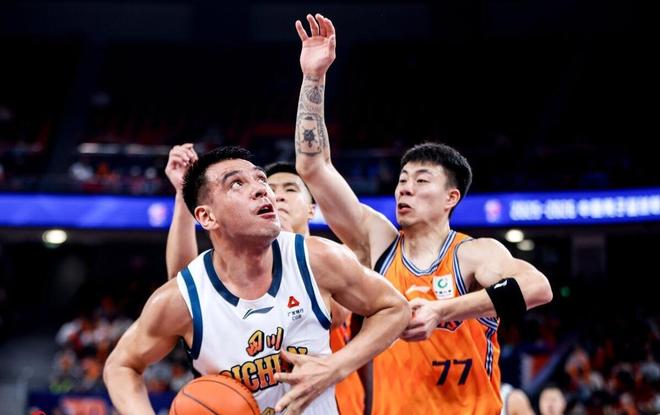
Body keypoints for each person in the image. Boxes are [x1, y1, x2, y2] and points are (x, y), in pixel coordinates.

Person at [293, 13, 554, 414]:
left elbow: (538, 288)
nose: (405, 188)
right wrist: (314, 77)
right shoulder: (378, 242)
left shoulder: (472, 254)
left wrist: (442, 310)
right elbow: (313, 167)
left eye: (421, 180)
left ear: (451, 197)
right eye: (402, 180)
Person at [103, 146, 410, 415]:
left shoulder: (318, 259)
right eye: (236, 183)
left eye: (261, 179)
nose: (263, 190)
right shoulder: (182, 297)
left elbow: (395, 308)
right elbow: (121, 366)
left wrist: (335, 367)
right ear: (207, 217)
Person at [163, 144, 366, 414]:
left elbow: (339, 314)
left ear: (311, 209)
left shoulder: (329, 262)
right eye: (272, 186)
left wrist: (285, 237)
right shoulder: (242, 267)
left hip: (337, 403)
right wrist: (183, 195)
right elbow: (185, 289)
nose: (276, 195)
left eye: (290, 189)